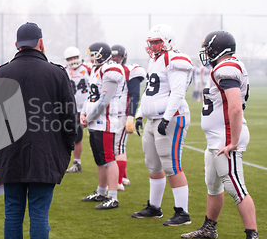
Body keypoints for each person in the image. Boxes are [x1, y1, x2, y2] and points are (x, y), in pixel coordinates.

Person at [0, 22, 77, 239]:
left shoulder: (1, 72)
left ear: (17, 45)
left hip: (9, 155)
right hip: (45, 155)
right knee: (38, 215)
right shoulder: (57, 73)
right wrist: (66, 150)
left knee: (13, 213)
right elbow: (70, 119)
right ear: (40, 43)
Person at [181, 31, 262, 239]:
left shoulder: (226, 68)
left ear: (218, 49)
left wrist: (233, 141)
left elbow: (235, 107)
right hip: (217, 138)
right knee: (213, 185)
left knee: (236, 187)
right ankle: (209, 227)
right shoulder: (225, 67)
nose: (206, 52)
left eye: (208, 48)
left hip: (227, 139)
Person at [132, 24, 193, 226]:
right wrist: (140, 114)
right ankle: (154, 207)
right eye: (151, 42)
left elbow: (177, 93)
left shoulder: (174, 59)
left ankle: (182, 212)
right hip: (153, 118)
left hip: (172, 117)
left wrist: (166, 118)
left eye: (157, 42)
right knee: (153, 164)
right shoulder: (155, 61)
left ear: (168, 42)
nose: (152, 46)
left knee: (171, 164)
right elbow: (150, 91)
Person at [80, 42, 124, 210]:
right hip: (94, 122)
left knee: (108, 159)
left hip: (105, 121)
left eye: (93, 54)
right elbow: (91, 96)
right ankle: (101, 191)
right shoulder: (97, 69)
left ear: (102, 54)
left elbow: (104, 101)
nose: (91, 58)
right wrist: (83, 113)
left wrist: (89, 117)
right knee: (99, 159)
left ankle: (113, 197)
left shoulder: (111, 69)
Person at [110, 45, 146, 190]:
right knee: (115, 147)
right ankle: (123, 177)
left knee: (118, 147)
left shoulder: (130, 70)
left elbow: (135, 94)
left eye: (117, 57)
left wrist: (131, 115)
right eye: (112, 57)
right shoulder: (109, 71)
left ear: (124, 57)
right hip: (111, 113)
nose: (114, 59)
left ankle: (117, 182)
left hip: (122, 114)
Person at [63, 46, 91, 173]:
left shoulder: (89, 69)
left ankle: (109, 164)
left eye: (75, 57)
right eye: (70, 58)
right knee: (76, 137)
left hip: (90, 109)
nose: (73, 60)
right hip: (73, 109)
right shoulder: (64, 71)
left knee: (98, 136)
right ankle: (77, 163)